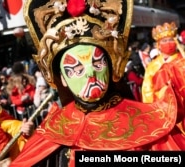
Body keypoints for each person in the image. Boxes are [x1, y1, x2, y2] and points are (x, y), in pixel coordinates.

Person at [10, 0, 184, 167]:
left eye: (97, 64)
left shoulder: (151, 126)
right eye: (76, 69)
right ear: (62, 78)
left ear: (111, 67)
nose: (91, 75)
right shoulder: (52, 132)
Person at [141, 22, 183, 103]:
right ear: (158, 45)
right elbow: (147, 90)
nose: (168, 43)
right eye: (164, 41)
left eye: (171, 40)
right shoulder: (152, 66)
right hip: (162, 107)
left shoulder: (182, 60)